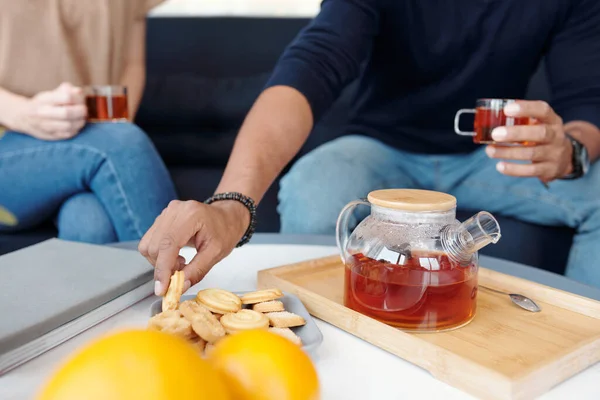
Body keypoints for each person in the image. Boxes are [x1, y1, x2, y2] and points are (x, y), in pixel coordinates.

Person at [140, 0, 600, 295]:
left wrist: (572, 150)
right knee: (316, 183)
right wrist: (230, 204)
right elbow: (310, 69)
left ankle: (586, 349)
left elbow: (587, 102)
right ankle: (326, 338)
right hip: (379, 146)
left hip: (487, 156)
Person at [0, 0, 176, 244]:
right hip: (7, 145)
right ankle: (183, 279)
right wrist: (20, 113)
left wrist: (113, 124)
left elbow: (131, 63)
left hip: (88, 140)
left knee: (91, 225)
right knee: (124, 142)